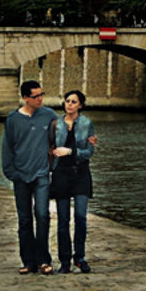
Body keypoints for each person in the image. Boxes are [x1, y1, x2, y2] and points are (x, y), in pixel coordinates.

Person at [1, 80, 57, 275]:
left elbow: (61, 136)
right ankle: (28, 261)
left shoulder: (49, 115)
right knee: (24, 220)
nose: (40, 99)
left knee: (42, 215)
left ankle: (44, 259)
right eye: (36, 96)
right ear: (25, 98)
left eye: (41, 94)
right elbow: (7, 148)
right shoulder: (12, 120)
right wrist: (12, 173)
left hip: (42, 174)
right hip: (21, 175)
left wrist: (87, 139)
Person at [51, 89, 95, 273]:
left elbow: (89, 152)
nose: (69, 104)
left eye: (73, 102)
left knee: (81, 217)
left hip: (81, 174)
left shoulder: (87, 124)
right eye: (67, 101)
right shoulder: (56, 124)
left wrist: (70, 152)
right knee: (63, 220)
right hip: (61, 174)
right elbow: (50, 147)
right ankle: (64, 261)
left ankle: (80, 257)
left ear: (80, 105)